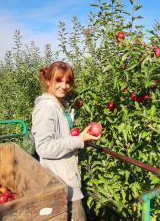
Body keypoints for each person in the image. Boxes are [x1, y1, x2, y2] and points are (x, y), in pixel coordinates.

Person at [31, 61, 101, 221]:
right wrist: (78, 140)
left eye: (68, 81)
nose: (64, 86)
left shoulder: (57, 104)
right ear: (48, 80)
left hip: (63, 178)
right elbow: (43, 147)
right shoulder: (46, 108)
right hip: (61, 183)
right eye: (59, 80)